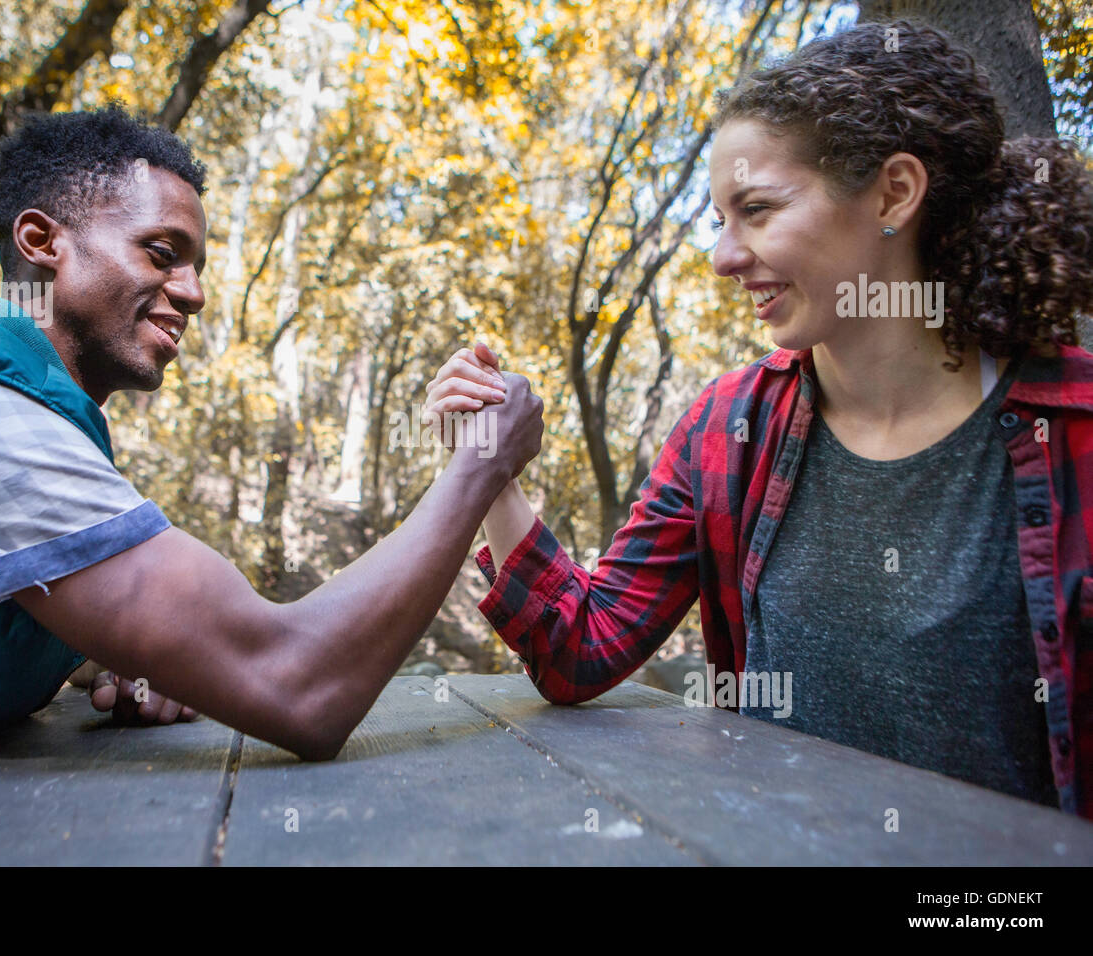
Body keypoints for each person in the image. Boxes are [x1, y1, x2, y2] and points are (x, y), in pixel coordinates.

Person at [0, 105, 543, 843]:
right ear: (41, 240)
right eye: (161, 251)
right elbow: (300, 684)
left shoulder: (17, 408)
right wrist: (481, 466)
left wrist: (100, 658)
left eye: (196, 266)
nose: (193, 292)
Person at [426, 20, 1093, 818]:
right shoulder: (727, 431)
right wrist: (493, 473)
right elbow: (583, 651)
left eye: (758, 210)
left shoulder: (1076, 426)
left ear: (894, 194)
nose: (722, 255)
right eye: (719, 218)